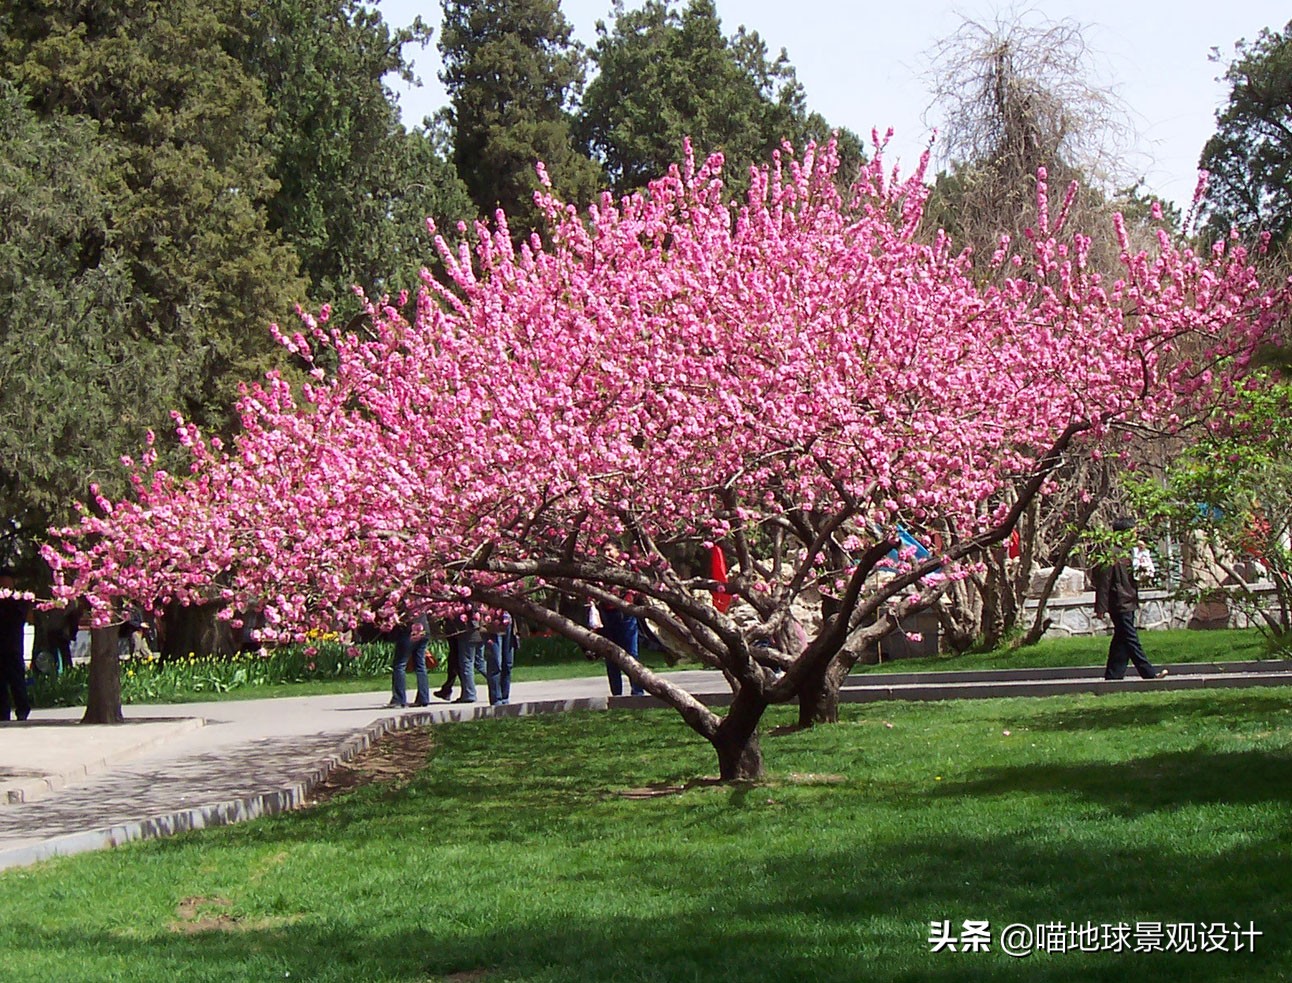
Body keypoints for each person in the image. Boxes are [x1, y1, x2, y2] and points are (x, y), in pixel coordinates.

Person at [1093, 519, 1168, 681]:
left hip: (1129, 600)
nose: (1135, 535)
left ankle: (1113, 676)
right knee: (1131, 639)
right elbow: (1104, 583)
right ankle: (1149, 674)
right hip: (1120, 603)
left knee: (1121, 641)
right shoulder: (1111, 554)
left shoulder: (1131, 552)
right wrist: (1101, 607)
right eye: (1132, 532)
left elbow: (1144, 570)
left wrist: (1142, 551)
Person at [0, 568, 32, 721]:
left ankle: (22, 710)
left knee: (17, 682)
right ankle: (3, 713)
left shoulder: (19, 601)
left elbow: (20, 618)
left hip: (13, 648)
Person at [601, 594, 646, 697]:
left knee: (631, 655)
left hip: (626, 612)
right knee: (610, 655)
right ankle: (617, 694)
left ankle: (637, 692)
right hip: (606, 612)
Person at [388, 615, 431, 708]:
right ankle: (423, 698)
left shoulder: (404, 601)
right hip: (424, 629)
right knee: (420, 665)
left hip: (409, 630)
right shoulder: (422, 601)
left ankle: (399, 699)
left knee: (400, 665)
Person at [484, 612, 518, 706]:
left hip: (508, 624)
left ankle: (505, 697)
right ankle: (496, 699)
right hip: (493, 625)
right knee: (495, 663)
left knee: (508, 663)